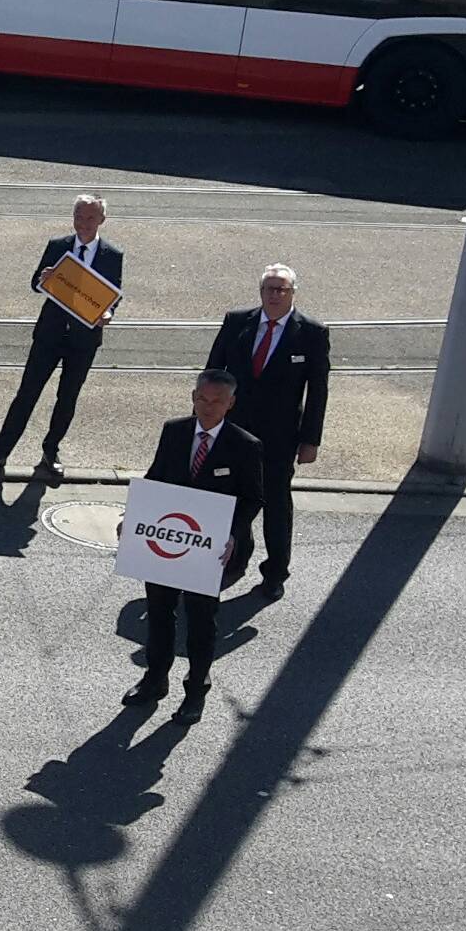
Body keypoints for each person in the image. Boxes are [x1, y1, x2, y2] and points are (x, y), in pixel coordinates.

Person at [123, 370, 263, 725]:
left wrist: (232, 534)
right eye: (202, 399)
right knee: (159, 612)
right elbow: (156, 478)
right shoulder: (174, 431)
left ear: (231, 403)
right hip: (166, 543)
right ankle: (154, 679)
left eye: (217, 401)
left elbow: (252, 499)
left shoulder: (245, 445)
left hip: (210, 551)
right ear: (193, 397)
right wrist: (134, 516)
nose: (208, 407)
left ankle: (196, 689)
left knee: (201, 621)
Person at [0, 195, 125, 483]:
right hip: (49, 335)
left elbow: (113, 295)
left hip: (84, 340)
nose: (83, 223)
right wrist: (43, 277)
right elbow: (35, 283)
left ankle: (50, 452)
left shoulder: (112, 254)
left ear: (102, 220)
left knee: (67, 398)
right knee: (26, 395)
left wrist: (108, 314)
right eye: (79, 216)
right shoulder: (58, 246)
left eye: (90, 218)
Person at [203, 264, 329, 600]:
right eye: (269, 289)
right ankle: (229, 562)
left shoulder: (312, 333)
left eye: (282, 290)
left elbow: (318, 391)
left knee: (275, 504)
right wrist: (203, 420)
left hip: (280, 438)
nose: (275, 295)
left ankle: (275, 573)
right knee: (226, 499)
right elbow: (213, 372)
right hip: (233, 430)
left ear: (292, 294)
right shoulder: (236, 322)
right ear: (260, 292)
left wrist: (310, 440)